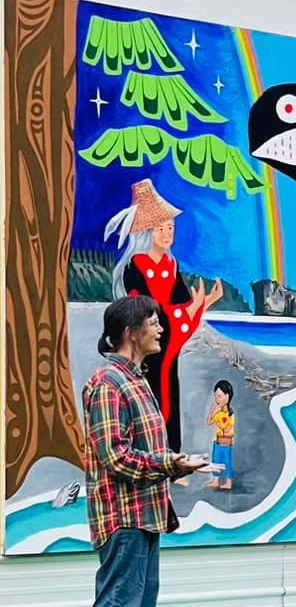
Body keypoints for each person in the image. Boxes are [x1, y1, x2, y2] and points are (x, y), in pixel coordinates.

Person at [83, 296, 210, 607]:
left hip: (147, 511)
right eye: (153, 322)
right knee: (117, 604)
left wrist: (175, 463)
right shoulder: (108, 382)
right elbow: (115, 456)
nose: (160, 328)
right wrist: (170, 464)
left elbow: (143, 452)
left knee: (141, 603)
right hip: (122, 514)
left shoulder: (135, 379)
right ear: (129, 331)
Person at [105, 179, 224, 459]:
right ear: (147, 231)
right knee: (151, 395)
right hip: (147, 342)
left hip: (168, 340)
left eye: (170, 227)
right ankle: (150, 454)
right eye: (161, 228)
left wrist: (203, 303)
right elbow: (147, 309)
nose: (168, 233)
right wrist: (187, 310)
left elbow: (182, 302)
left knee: (172, 390)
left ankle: (172, 453)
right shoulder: (136, 266)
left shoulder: (171, 265)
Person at [206, 380, 235, 491]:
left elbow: (226, 428)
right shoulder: (218, 413)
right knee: (216, 460)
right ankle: (215, 480)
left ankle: (228, 482)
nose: (217, 399)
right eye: (216, 396)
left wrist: (220, 421)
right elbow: (209, 422)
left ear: (227, 396)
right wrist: (212, 410)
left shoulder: (230, 415)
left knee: (227, 461)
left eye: (219, 396)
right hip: (217, 441)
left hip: (226, 443)